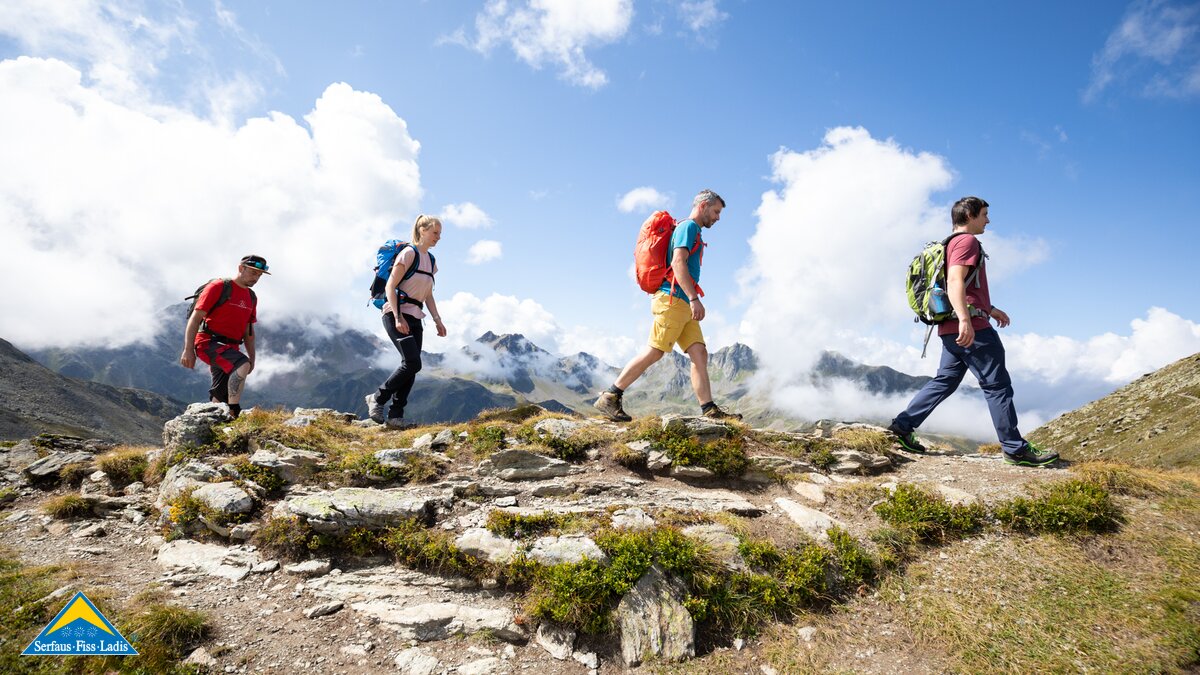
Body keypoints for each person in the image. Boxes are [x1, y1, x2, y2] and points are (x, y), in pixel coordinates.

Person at [888, 197, 1058, 466]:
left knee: (945, 381)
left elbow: (964, 285)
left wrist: (989, 309)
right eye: (984, 215)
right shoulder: (967, 242)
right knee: (997, 386)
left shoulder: (948, 244)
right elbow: (955, 280)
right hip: (972, 329)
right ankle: (1015, 449)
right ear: (969, 214)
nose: (988, 221)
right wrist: (967, 320)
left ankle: (902, 427)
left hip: (948, 326)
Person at [594, 189, 742, 422]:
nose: (717, 217)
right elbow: (677, 261)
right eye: (715, 211)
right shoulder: (688, 228)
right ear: (703, 206)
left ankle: (709, 409)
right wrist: (694, 298)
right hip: (674, 299)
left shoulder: (692, 230)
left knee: (698, 353)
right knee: (656, 350)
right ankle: (611, 396)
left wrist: (690, 299)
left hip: (682, 302)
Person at [365, 215, 447, 429]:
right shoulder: (408, 253)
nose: (438, 237)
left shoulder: (431, 260)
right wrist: (398, 316)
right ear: (422, 230)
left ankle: (396, 415)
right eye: (435, 233)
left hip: (416, 315)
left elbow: (428, 294)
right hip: (395, 312)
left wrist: (438, 320)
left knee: (410, 365)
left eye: (439, 233)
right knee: (412, 362)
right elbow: (391, 286)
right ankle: (378, 398)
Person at [180, 255, 269, 418]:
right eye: (253, 272)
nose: (256, 278)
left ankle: (216, 420)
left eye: (259, 275)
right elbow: (195, 318)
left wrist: (253, 358)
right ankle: (234, 411)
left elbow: (248, 332)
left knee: (220, 395)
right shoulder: (219, 286)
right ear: (241, 268)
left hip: (230, 347)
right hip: (208, 343)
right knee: (241, 363)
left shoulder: (251, 297)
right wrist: (188, 350)